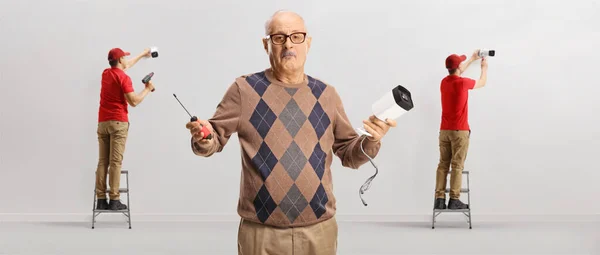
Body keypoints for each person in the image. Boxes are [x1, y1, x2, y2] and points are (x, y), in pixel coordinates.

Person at [185, 10, 396, 254]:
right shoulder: (244, 90)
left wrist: (372, 140)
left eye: (296, 36)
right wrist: (204, 136)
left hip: (319, 229)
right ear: (266, 45)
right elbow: (213, 138)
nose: (288, 44)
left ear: (308, 42)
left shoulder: (327, 95)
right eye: (278, 37)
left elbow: (349, 154)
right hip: (261, 231)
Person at [95, 47, 155, 210]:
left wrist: (143, 54)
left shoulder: (106, 74)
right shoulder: (124, 78)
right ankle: (114, 200)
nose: (126, 60)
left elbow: (126, 65)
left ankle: (101, 199)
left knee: (103, 162)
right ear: (120, 60)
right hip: (118, 123)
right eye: (124, 58)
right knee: (115, 162)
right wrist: (147, 89)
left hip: (103, 122)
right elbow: (134, 101)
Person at [434, 50, 488, 210]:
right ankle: (454, 200)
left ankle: (439, 199)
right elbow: (482, 82)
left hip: (444, 131)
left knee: (443, 164)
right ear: (458, 67)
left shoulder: (444, 82)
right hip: (460, 131)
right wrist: (484, 67)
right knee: (457, 165)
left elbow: (458, 70)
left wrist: (472, 58)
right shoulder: (462, 83)